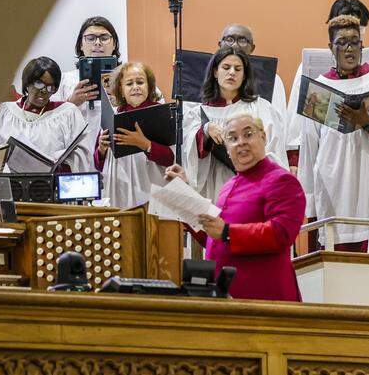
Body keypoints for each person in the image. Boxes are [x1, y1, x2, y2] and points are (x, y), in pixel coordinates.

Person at [165, 114, 306, 301]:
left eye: (248, 134)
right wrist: (184, 192)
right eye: (232, 138)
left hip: (264, 296)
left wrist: (227, 232)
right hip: (228, 296)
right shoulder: (229, 185)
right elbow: (213, 237)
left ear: (263, 137)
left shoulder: (282, 180)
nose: (241, 143)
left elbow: (281, 233)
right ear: (227, 148)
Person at [294, 14, 369, 252]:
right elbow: (310, 148)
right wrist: (308, 205)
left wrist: (367, 123)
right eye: (342, 42)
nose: (350, 48)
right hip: (334, 186)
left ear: (363, 45)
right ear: (331, 48)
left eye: (355, 41)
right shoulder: (318, 89)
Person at [182, 46, 288, 204]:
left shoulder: (260, 107)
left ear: (244, 76)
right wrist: (205, 131)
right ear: (215, 72)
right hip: (213, 189)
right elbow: (187, 157)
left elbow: (275, 148)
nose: (232, 72)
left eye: (238, 69)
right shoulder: (198, 112)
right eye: (226, 67)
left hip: (252, 189)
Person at [0, 56, 90, 172]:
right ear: (27, 83)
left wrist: (59, 168)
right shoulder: (4, 112)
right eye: (39, 83)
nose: (44, 91)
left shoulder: (68, 113)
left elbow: (82, 155)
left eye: (50, 87)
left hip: (50, 185)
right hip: (8, 184)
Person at [92, 61, 173, 209]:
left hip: (152, 187)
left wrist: (145, 144)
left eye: (140, 82)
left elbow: (170, 159)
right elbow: (98, 164)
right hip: (120, 188)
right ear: (121, 90)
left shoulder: (161, 113)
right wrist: (102, 150)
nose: (135, 87)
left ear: (149, 87)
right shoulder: (112, 115)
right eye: (129, 84)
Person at [52, 16, 121, 141]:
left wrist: (125, 103)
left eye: (104, 38)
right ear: (81, 45)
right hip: (78, 153)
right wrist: (71, 104)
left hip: (116, 155)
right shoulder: (63, 81)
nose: (97, 43)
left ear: (115, 44)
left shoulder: (130, 79)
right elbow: (47, 126)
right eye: (90, 38)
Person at [218, 23, 289, 134]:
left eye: (242, 40)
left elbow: (279, 125)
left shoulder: (271, 80)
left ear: (252, 48)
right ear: (220, 44)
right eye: (229, 39)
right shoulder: (205, 77)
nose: (235, 45)